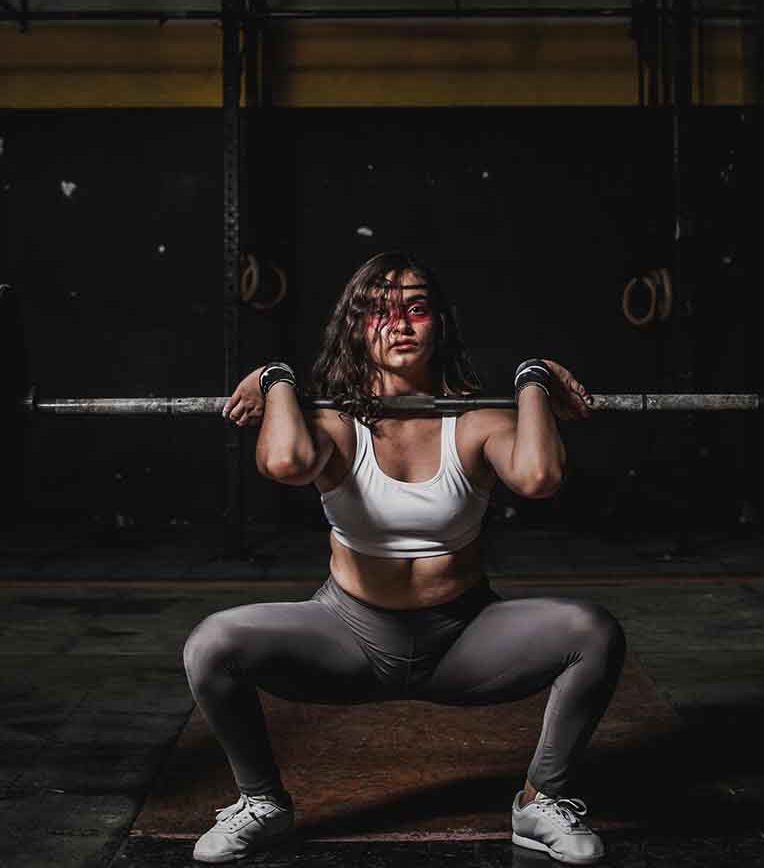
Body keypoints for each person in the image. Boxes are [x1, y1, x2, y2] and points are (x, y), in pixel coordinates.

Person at [183, 251, 626, 865]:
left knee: (593, 632)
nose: (398, 324)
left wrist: (533, 379)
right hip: (346, 638)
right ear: (355, 327)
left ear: (439, 323)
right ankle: (262, 802)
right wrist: (277, 379)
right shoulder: (336, 424)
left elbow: (540, 476)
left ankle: (541, 800)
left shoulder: (475, 422)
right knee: (212, 644)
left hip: (463, 639)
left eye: (415, 309)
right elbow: (285, 462)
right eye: (378, 311)